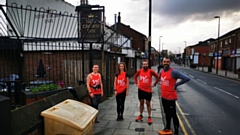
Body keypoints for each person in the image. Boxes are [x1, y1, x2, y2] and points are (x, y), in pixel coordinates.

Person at [158, 57, 190, 135]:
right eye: (164, 61)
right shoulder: (161, 71)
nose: (166, 63)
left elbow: (186, 78)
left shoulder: (174, 72)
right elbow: (160, 79)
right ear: (162, 62)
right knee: (166, 114)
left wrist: (176, 84)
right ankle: (167, 128)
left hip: (171, 98)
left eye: (167, 62)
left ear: (170, 63)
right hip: (164, 97)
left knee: (173, 115)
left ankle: (176, 132)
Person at [134, 59, 159, 125]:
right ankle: (140, 115)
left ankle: (149, 116)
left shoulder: (151, 71)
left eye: (146, 64)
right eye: (144, 64)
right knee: (141, 102)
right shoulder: (139, 71)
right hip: (141, 90)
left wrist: (154, 84)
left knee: (148, 103)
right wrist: (137, 83)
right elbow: (135, 76)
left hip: (148, 90)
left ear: (148, 65)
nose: (145, 65)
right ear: (142, 65)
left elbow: (157, 77)